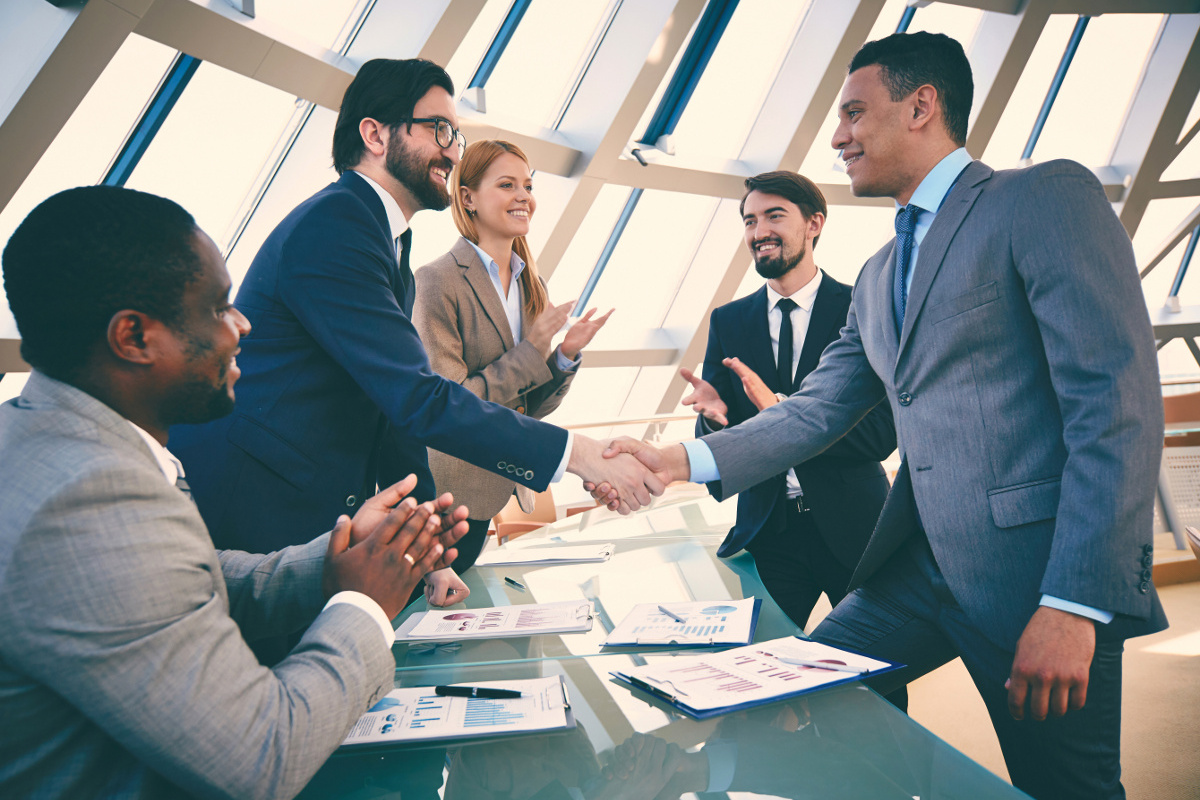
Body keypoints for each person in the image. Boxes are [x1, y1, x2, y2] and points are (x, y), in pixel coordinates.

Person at [599, 32, 1167, 799]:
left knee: (1068, 788)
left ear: (921, 105)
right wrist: (676, 461)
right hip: (918, 572)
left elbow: (1116, 404)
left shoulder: (1039, 199)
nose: (837, 136)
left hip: (1036, 579)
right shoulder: (878, 275)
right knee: (781, 691)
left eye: (855, 114)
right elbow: (814, 412)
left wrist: (1074, 603)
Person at [0, 185, 468, 798]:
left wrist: (331, 569)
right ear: (134, 337)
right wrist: (364, 604)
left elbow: (178, 584)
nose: (243, 324)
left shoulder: (55, 440)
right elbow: (261, 756)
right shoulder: (86, 500)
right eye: (219, 308)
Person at [169, 59, 656, 570]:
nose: (452, 149)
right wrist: (576, 455)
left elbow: (394, 417)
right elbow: (418, 398)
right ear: (375, 135)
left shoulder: (385, 243)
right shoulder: (338, 225)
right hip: (251, 501)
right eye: (439, 129)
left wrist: (434, 550)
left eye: (456, 135)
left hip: (296, 503)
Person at [679, 170, 894, 631]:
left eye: (774, 216)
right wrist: (716, 423)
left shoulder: (861, 308)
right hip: (769, 530)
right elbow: (727, 427)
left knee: (878, 676)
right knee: (757, 667)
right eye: (749, 220)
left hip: (855, 526)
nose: (759, 232)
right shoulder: (729, 321)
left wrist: (783, 414)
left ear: (814, 223)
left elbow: (882, 434)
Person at [412, 139, 613, 605]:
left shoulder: (529, 284)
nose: (524, 196)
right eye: (507, 185)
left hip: (494, 489)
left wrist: (562, 356)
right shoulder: (436, 280)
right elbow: (449, 403)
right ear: (467, 198)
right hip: (446, 498)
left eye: (528, 185)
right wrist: (533, 350)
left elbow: (526, 406)